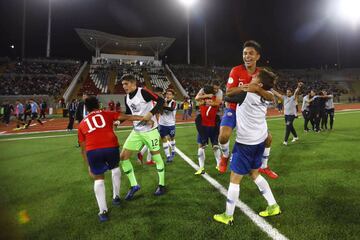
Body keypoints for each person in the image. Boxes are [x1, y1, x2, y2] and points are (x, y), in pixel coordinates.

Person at [213, 69, 281, 225]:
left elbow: (228, 94)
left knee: (235, 179)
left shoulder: (246, 94)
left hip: (245, 143)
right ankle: (273, 205)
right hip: (260, 141)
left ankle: (228, 216)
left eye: (255, 77)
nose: (252, 77)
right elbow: (271, 96)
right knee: (255, 174)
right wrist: (255, 87)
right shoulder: (266, 96)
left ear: (260, 83)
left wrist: (246, 87)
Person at [218, 41, 277, 180]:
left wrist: (257, 88)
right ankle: (225, 156)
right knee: (223, 136)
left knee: (268, 138)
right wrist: (247, 86)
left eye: (251, 53)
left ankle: (264, 166)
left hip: (251, 112)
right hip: (233, 108)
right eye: (245, 53)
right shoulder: (236, 70)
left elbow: (270, 96)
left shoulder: (262, 74)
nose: (247, 56)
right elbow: (229, 92)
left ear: (257, 56)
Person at [78, 96, 142, 222]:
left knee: (99, 178)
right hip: (111, 146)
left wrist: (89, 165)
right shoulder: (107, 113)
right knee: (115, 169)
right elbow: (128, 117)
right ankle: (116, 197)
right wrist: (145, 118)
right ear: (98, 104)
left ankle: (103, 211)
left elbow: (83, 148)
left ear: (86, 108)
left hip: (93, 150)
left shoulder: (82, 123)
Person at [120, 74, 166, 199]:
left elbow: (161, 101)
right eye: (123, 84)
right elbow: (129, 114)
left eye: (126, 84)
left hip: (150, 130)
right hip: (136, 131)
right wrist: (119, 121)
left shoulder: (143, 92)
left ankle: (162, 185)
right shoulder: (127, 98)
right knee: (123, 157)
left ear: (133, 83)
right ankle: (134, 185)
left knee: (156, 158)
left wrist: (150, 114)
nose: (124, 86)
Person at [194, 85, 222, 175]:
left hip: (207, 126)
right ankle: (214, 166)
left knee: (210, 146)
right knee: (212, 147)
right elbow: (197, 99)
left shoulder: (209, 100)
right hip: (209, 126)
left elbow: (198, 100)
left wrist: (205, 100)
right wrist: (207, 97)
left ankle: (202, 167)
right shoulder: (212, 99)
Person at [158, 89, 177, 163]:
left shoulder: (174, 103)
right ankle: (168, 156)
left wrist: (161, 105)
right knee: (163, 139)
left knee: (172, 138)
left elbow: (171, 109)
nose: (168, 95)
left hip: (171, 124)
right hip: (162, 124)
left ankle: (173, 150)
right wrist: (161, 104)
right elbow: (160, 112)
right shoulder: (162, 101)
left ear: (173, 96)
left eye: (170, 94)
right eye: (167, 94)